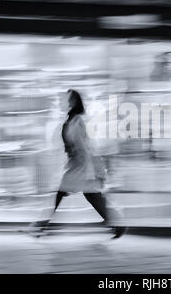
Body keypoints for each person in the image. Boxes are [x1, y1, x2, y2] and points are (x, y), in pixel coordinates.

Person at [31, 89, 127, 239]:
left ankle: (42, 224)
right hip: (77, 165)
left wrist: (91, 170)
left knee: (66, 194)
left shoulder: (77, 121)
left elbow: (85, 147)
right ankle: (116, 223)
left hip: (81, 166)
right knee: (91, 196)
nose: (64, 102)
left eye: (67, 99)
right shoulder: (71, 119)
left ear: (74, 102)